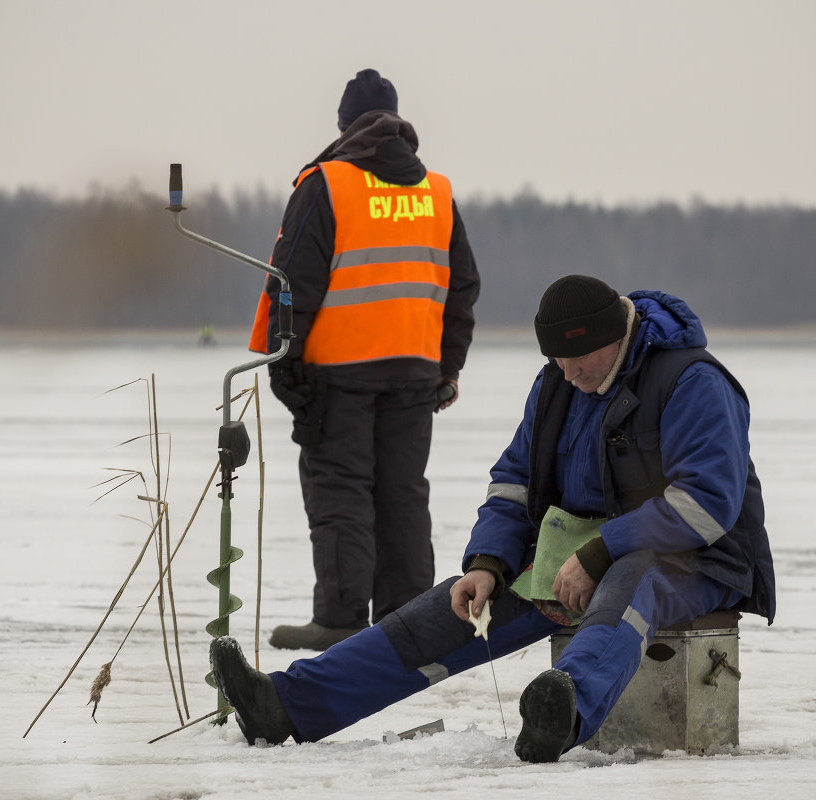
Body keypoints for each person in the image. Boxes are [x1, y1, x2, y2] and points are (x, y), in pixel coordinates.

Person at [213, 274, 775, 762]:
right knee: (457, 605)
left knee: (633, 581)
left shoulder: (692, 381)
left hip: (698, 558)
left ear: (618, 337)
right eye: (556, 359)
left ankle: (565, 711)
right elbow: (514, 485)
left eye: (579, 359)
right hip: (584, 550)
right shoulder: (558, 385)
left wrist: (603, 549)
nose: (569, 371)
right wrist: (487, 562)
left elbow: (707, 504)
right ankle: (286, 705)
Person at [247, 68, 482, 651]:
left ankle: (340, 620)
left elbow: (291, 282)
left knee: (341, 493)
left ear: (344, 127)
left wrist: (285, 362)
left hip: (338, 377)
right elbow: (463, 287)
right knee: (403, 495)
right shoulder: (437, 192)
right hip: (413, 373)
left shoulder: (327, 184)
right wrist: (447, 367)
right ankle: (413, 625)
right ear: (399, 123)